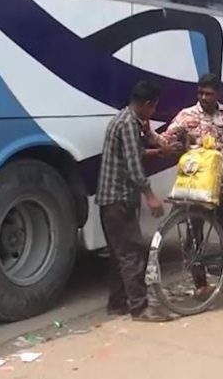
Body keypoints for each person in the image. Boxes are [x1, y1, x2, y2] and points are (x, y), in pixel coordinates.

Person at [158, 73, 223, 293]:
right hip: (197, 186)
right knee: (195, 234)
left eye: (209, 93)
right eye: (200, 93)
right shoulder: (186, 116)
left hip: (221, 183)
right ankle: (200, 283)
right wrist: (161, 145)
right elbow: (166, 138)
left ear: (219, 93)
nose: (204, 97)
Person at [95, 81, 171, 323]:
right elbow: (134, 165)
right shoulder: (128, 124)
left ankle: (117, 303)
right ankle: (140, 307)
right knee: (132, 254)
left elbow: (132, 153)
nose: (153, 112)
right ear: (147, 104)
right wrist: (150, 196)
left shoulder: (123, 118)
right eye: (154, 107)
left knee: (119, 255)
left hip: (109, 199)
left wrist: (157, 151)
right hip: (119, 198)